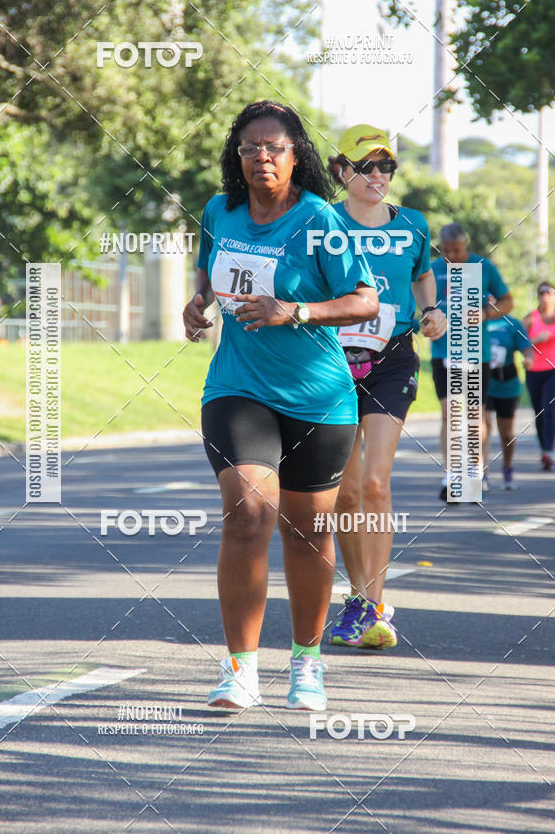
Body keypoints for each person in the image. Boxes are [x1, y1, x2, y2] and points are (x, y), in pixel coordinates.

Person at [182, 100, 378, 712]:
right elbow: (210, 275)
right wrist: (197, 305)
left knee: (309, 531)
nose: (260, 157)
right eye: (248, 148)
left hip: (319, 397)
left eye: (273, 148)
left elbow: (367, 300)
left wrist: (296, 311)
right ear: (234, 157)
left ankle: (307, 664)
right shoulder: (220, 211)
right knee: (247, 511)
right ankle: (240, 669)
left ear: (297, 156)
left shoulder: (321, 220)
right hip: (238, 388)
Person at [326, 124, 446, 650]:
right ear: (341, 171)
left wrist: (433, 309)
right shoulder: (321, 223)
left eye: (386, 167)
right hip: (330, 357)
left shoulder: (413, 225)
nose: (377, 176)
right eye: (365, 166)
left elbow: (422, 275)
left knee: (375, 483)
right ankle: (358, 598)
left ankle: (374, 606)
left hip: (393, 357)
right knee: (345, 491)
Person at [431, 223, 513, 500]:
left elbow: (507, 301)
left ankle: (477, 471)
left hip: (477, 354)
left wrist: (486, 314)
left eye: (457, 250)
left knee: (474, 416)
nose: (452, 255)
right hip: (443, 352)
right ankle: (452, 474)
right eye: (447, 250)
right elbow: (420, 303)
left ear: (466, 245)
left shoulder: (483, 267)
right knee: (449, 413)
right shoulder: (432, 269)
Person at [485, 315, 533, 490]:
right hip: (484, 382)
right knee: (483, 427)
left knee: (506, 433)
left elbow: (526, 348)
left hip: (508, 384)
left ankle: (507, 467)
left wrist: (529, 359)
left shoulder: (512, 323)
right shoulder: (474, 319)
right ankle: (482, 472)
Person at [523, 282, 555, 470]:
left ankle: (549, 450)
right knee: (539, 411)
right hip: (534, 370)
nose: (545, 297)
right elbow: (519, 342)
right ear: (538, 297)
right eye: (541, 293)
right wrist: (536, 339)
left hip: (553, 370)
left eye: (549, 293)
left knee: (549, 408)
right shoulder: (531, 319)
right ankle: (544, 449)